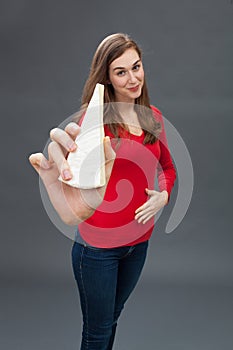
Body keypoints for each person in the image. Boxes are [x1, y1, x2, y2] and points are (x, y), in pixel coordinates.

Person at [29, 33, 176, 350]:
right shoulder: (94, 123)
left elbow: (169, 168)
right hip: (98, 251)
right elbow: (72, 181)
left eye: (136, 67)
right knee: (96, 332)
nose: (133, 77)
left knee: (112, 319)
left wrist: (163, 195)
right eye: (121, 71)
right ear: (107, 78)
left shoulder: (154, 119)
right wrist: (63, 175)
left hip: (138, 246)